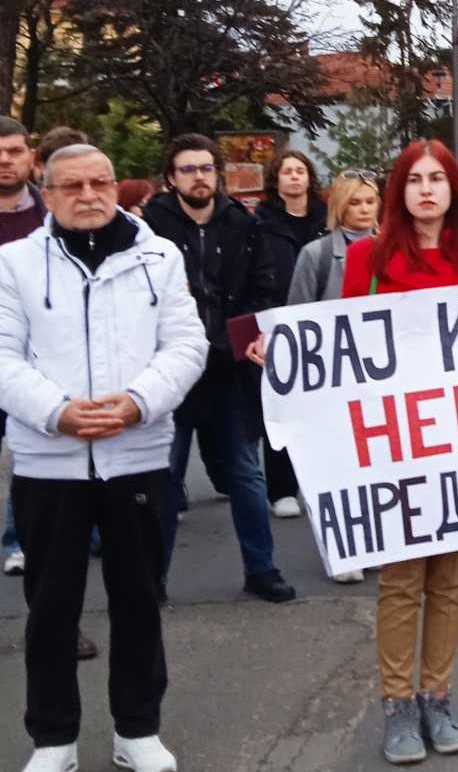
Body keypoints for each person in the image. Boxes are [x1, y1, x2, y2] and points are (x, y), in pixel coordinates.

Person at [0, 144, 207, 772]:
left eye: (100, 182)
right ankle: (54, 739)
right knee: (52, 608)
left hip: (138, 455)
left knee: (139, 600)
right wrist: (56, 410)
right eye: (71, 186)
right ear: (49, 191)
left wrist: (141, 401)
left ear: (117, 187)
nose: (88, 195)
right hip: (49, 462)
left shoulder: (159, 256)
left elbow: (186, 343)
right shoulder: (14, 263)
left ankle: (137, 730)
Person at [341, 140, 458, 765]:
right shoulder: (368, 259)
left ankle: (438, 695)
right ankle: (397, 706)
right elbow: (342, 345)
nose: (427, 190)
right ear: (398, 191)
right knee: (402, 580)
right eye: (415, 180)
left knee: (452, 576)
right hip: (395, 443)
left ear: (455, 189)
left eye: (439, 179)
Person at [142, 133, 296, 603]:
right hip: (170, 371)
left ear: (218, 174)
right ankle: (153, 579)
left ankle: (261, 568)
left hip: (229, 368)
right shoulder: (149, 228)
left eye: (206, 168)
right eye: (188, 169)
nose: (198, 177)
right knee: (163, 477)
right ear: (171, 178)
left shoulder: (242, 225)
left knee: (248, 474)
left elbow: (262, 287)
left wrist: (243, 337)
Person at [284, 169, 382, 584]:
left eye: (369, 201)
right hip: (334, 375)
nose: (362, 210)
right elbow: (297, 316)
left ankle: (377, 542)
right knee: (339, 467)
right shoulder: (317, 254)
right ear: (339, 206)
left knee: (378, 467)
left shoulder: (396, 249)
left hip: (384, 374)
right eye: (354, 202)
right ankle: (342, 548)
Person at [254, 151, 329, 520]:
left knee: (321, 409)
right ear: (276, 180)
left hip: (323, 324)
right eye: (287, 172)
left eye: (301, 171)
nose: (295, 178)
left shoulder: (326, 220)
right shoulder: (262, 223)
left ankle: (317, 480)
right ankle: (281, 489)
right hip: (279, 321)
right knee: (282, 408)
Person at [0, 116, 45, 580]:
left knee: (28, 460)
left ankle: (20, 542)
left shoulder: (49, 216)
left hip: (33, 361)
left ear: (31, 157)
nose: (4, 160)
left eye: (14, 151)